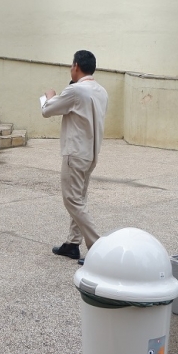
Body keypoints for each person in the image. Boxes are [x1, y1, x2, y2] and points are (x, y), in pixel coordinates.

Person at [42, 50, 108, 263]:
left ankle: (98, 247)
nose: (71, 69)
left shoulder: (76, 90)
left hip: (75, 152)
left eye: (71, 65)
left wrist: (50, 95)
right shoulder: (101, 91)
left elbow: (47, 110)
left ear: (77, 66)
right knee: (79, 198)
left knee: (72, 200)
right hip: (90, 153)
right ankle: (72, 243)